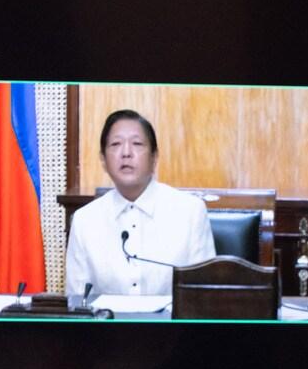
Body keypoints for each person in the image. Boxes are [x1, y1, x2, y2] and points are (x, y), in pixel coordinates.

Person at [65, 110, 215, 298]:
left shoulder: (190, 212)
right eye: (116, 144)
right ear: (103, 160)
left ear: (154, 158)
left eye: (137, 144)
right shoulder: (85, 220)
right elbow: (78, 301)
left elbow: (203, 297)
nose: (126, 153)